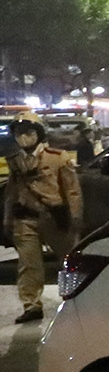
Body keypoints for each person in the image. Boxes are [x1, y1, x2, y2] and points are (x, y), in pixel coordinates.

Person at [2, 117, 82, 324]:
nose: (23, 137)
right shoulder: (16, 161)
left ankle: (76, 297)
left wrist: (75, 217)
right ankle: (31, 306)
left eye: (28, 132)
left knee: (69, 261)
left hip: (53, 218)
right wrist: (7, 219)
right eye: (19, 132)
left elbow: (72, 190)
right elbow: (11, 192)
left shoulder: (58, 158)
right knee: (28, 264)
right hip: (25, 219)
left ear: (38, 133)